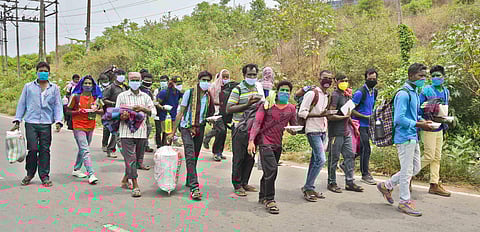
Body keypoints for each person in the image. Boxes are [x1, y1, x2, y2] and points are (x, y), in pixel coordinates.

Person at [377, 63, 433, 217]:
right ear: (410, 76)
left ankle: (386, 185)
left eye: (424, 76)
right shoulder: (403, 94)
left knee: (415, 168)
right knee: (407, 170)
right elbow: (399, 119)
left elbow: (413, 115)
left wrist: (423, 121)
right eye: (420, 76)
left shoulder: (415, 92)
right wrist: (418, 124)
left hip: (413, 135)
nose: (423, 79)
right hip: (404, 137)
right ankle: (404, 202)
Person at [248, 81, 297, 214]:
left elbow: (293, 125)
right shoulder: (267, 105)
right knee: (272, 170)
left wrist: (294, 131)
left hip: (277, 143)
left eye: (287, 91)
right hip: (264, 141)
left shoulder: (292, 109)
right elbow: (257, 123)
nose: (285, 93)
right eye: (282, 90)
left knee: (269, 171)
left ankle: (262, 195)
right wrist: (251, 140)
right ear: (277, 91)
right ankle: (270, 200)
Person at [12, 62, 63, 187]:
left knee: (45, 150)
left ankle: (44, 176)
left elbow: (57, 105)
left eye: (45, 71)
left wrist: (58, 121)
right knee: (33, 149)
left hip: (46, 123)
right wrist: (18, 119)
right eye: (41, 70)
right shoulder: (28, 87)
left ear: (49, 73)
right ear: (37, 72)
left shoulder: (54, 88)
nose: (43, 73)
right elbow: (22, 103)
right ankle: (30, 174)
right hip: (31, 122)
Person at [170, 71, 215, 201]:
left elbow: (207, 113)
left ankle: (190, 179)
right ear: (199, 80)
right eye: (204, 80)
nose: (206, 83)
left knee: (194, 155)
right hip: (186, 127)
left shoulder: (208, 96)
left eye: (208, 80)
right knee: (189, 155)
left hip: (200, 127)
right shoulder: (189, 93)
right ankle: (194, 187)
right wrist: (173, 132)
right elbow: (181, 112)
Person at [227, 63, 265, 196]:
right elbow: (229, 108)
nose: (252, 77)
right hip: (239, 127)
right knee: (239, 157)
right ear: (244, 75)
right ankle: (237, 184)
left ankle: (244, 182)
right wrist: (247, 104)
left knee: (250, 157)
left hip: (253, 129)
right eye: (250, 75)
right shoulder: (238, 89)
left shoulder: (257, 88)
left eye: (254, 75)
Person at [116, 72, 156, 198]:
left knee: (137, 160)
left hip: (141, 132)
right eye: (132, 80)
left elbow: (153, 112)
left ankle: (124, 179)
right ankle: (135, 184)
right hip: (125, 132)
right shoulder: (122, 96)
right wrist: (123, 115)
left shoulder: (145, 97)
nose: (135, 82)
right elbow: (116, 113)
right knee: (131, 158)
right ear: (128, 81)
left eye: (137, 80)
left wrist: (143, 109)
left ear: (141, 81)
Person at [298, 70, 333, 202]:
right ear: (319, 78)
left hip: (323, 130)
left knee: (315, 160)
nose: (327, 81)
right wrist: (319, 115)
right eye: (325, 78)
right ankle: (307, 187)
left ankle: (310, 186)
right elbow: (302, 112)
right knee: (321, 160)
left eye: (330, 78)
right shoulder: (312, 93)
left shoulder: (327, 95)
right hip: (312, 130)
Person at [326, 74, 364, 193]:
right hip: (336, 132)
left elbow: (347, 114)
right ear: (336, 81)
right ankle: (331, 182)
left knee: (350, 156)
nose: (344, 83)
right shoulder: (335, 96)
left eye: (346, 81)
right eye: (342, 81)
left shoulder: (346, 95)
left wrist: (353, 126)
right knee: (334, 158)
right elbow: (330, 116)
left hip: (346, 131)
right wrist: (343, 117)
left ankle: (349, 182)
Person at [419, 65, 452, 197]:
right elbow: (419, 108)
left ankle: (434, 184)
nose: (435, 78)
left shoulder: (446, 91)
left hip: (440, 126)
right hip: (428, 126)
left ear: (443, 77)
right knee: (429, 155)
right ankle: (407, 175)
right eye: (433, 76)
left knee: (437, 157)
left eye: (438, 75)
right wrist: (426, 111)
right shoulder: (426, 90)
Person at [67, 75, 104, 184]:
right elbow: (68, 110)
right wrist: (78, 112)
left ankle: (76, 169)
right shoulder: (75, 96)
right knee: (85, 149)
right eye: (85, 83)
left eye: (90, 83)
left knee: (83, 148)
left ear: (93, 85)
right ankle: (91, 174)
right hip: (78, 125)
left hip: (90, 125)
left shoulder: (96, 98)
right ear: (81, 85)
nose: (87, 85)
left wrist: (96, 111)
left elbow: (102, 110)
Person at [350, 68, 378, 185]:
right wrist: (364, 116)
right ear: (365, 78)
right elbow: (351, 109)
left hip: (369, 124)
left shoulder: (374, 92)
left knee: (362, 148)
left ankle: (346, 163)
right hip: (359, 124)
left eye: (374, 79)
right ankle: (365, 174)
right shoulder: (360, 93)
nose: (372, 80)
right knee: (366, 148)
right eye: (370, 79)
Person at [204, 69, 231, 161]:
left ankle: (220, 152)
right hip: (216, 112)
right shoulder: (214, 86)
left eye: (227, 77)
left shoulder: (228, 87)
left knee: (223, 133)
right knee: (221, 131)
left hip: (224, 113)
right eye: (224, 77)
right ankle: (215, 152)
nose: (225, 79)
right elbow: (210, 99)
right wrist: (220, 103)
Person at [102, 68, 128, 158]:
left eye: (123, 74)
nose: (121, 76)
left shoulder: (125, 87)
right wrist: (114, 104)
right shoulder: (111, 87)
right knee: (115, 131)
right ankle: (111, 149)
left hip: (124, 110)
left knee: (122, 130)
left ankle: (125, 150)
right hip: (113, 110)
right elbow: (104, 99)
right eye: (119, 74)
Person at [157, 76, 183, 147]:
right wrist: (162, 107)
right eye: (177, 83)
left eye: (180, 83)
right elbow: (156, 103)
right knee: (166, 132)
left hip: (174, 115)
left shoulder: (178, 92)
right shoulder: (164, 92)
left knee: (172, 133)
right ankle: (163, 147)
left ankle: (169, 147)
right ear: (172, 83)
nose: (179, 85)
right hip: (164, 115)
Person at [153, 75, 171, 148]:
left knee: (165, 130)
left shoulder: (170, 91)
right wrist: (160, 106)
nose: (163, 82)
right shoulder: (157, 91)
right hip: (158, 113)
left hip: (167, 114)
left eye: (164, 81)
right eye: (161, 81)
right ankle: (158, 145)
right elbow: (155, 101)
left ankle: (164, 145)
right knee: (158, 130)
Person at [139, 71, 155, 154]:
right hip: (138, 113)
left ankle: (145, 145)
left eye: (150, 81)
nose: (148, 83)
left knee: (148, 128)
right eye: (146, 81)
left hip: (146, 113)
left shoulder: (148, 91)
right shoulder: (138, 89)